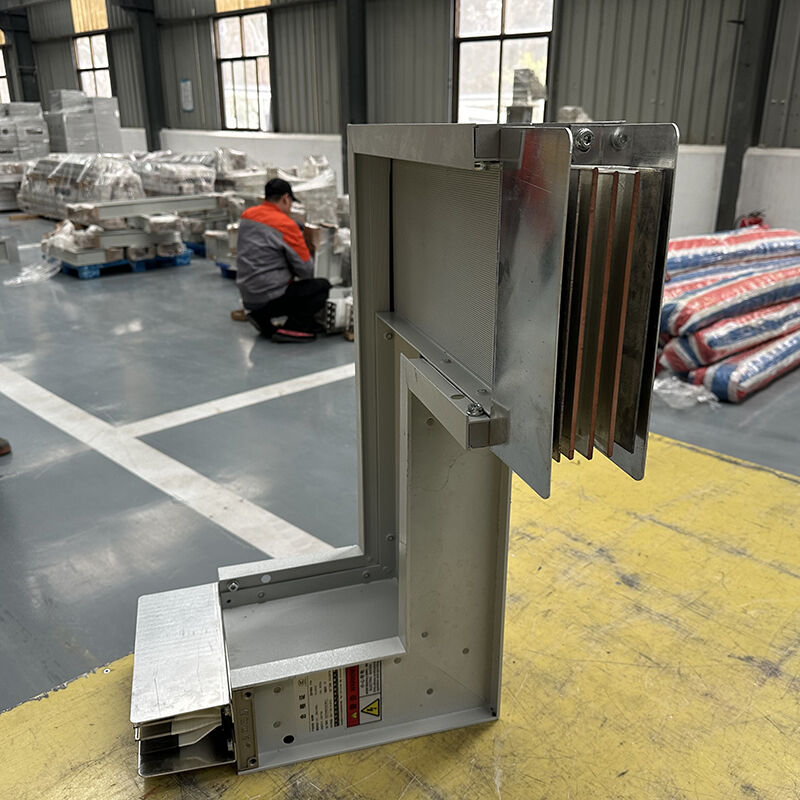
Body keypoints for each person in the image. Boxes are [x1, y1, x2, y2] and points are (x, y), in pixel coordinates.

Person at [236, 178, 330, 343]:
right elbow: (306, 270)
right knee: (321, 287)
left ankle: (261, 319)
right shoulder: (285, 224)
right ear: (286, 198)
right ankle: (294, 328)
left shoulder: (247, 215)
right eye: (291, 202)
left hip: (248, 295)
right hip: (270, 295)